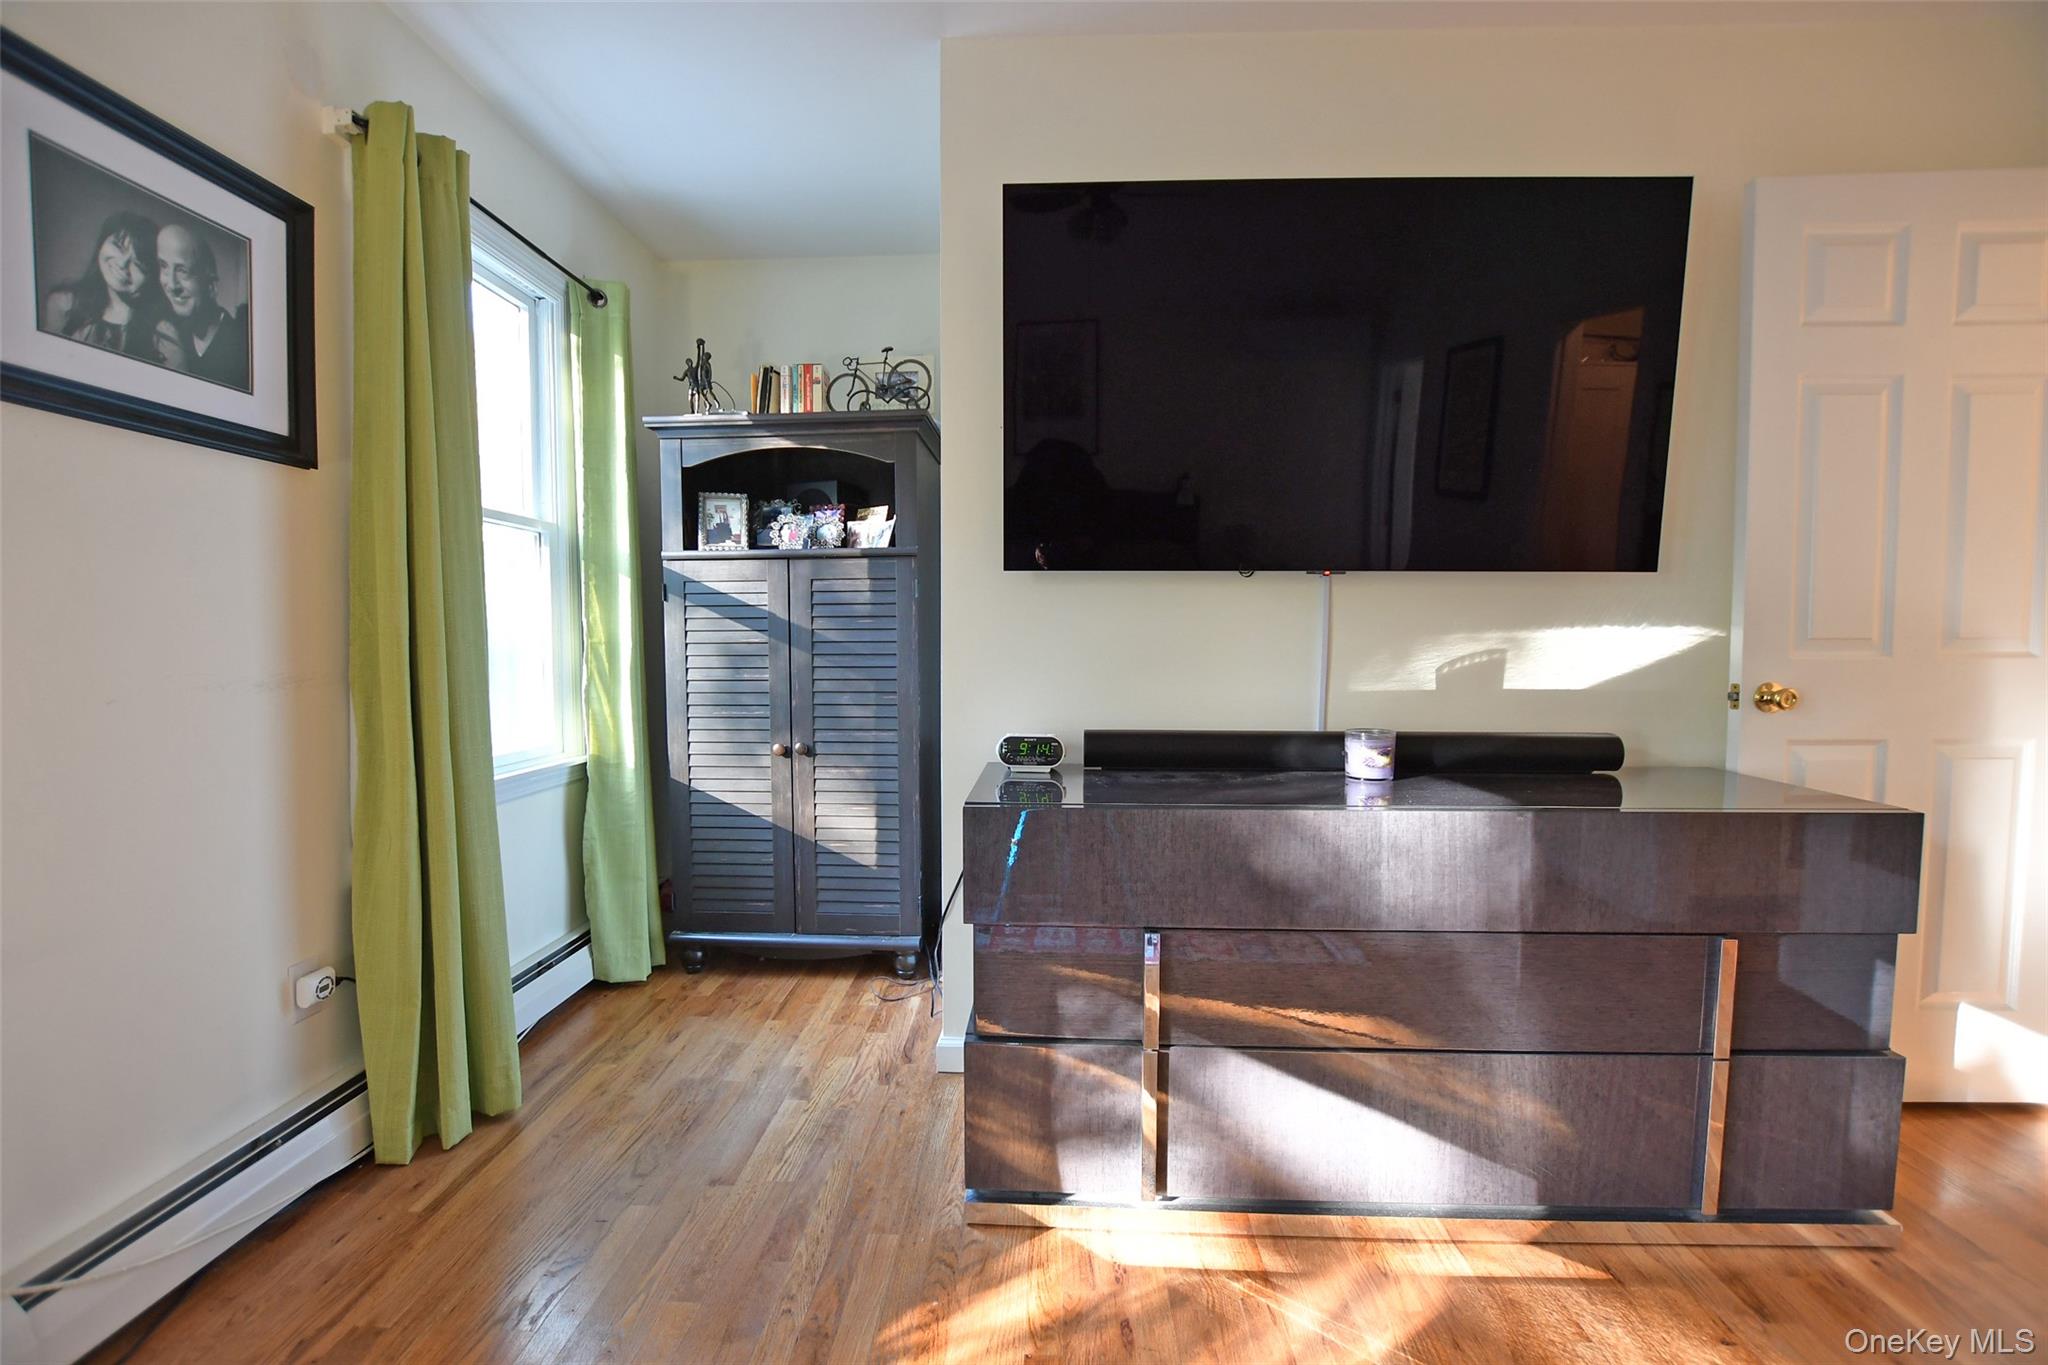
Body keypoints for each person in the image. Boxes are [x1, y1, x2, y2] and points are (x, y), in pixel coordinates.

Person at [41, 211, 164, 360]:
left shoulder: (162, 333)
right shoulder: (64, 304)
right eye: (118, 246)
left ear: (152, 276)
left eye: (138, 263)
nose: (122, 263)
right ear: (102, 243)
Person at [153, 223, 249, 389]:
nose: (171, 284)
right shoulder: (169, 335)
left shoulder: (241, 344)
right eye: (164, 267)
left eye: (183, 271)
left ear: (211, 285)